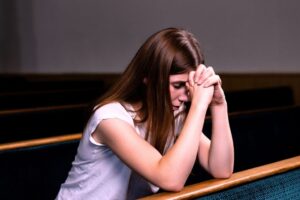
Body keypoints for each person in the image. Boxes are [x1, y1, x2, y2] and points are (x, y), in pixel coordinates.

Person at [56, 27, 234, 200]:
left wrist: (218, 105)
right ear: (148, 78)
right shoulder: (109, 118)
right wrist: (199, 106)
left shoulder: (174, 115)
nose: (185, 97)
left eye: (189, 87)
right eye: (178, 86)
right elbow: (171, 179)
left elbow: (221, 169)